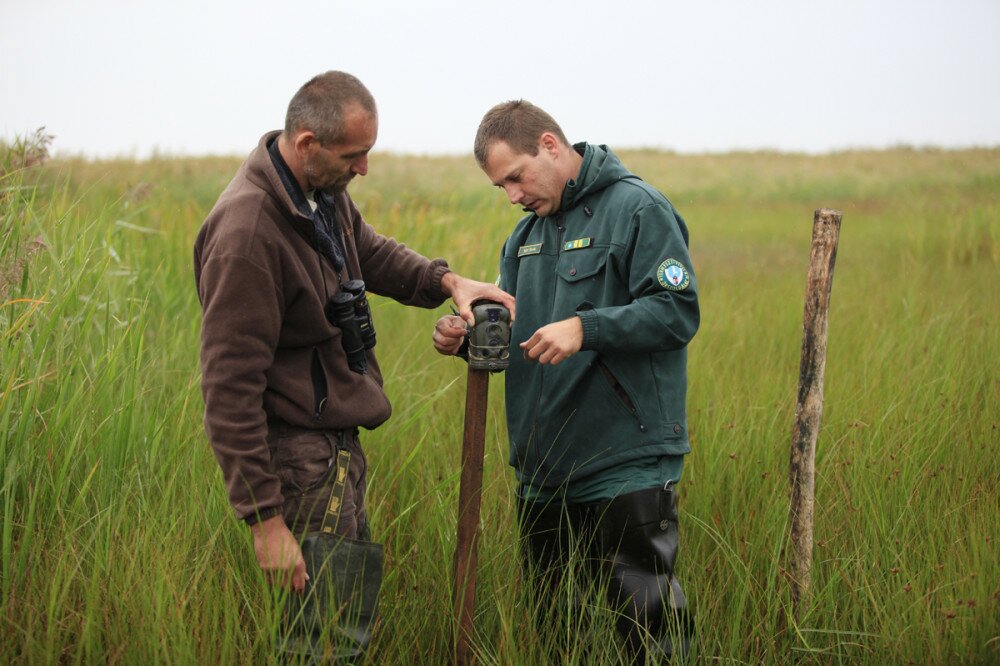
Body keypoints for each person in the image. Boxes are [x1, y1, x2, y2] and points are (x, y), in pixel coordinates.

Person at [193, 71, 514, 661]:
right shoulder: (247, 233)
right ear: (307, 142)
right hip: (295, 457)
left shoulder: (318, 193)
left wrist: (447, 281)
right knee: (323, 638)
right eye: (354, 155)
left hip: (332, 450)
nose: (363, 168)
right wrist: (265, 521)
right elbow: (228, 386)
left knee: (340, 624)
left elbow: (368, 249)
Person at [433, 100, 698, 662]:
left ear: (550, 146)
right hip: (543, 468)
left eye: (515, 176)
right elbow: (516, 336)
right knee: (558, 633)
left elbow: (677, 312)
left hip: (623, 459)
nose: (511, 195)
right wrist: (468, 338)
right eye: (499, 186)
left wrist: (587, 326)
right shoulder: (524, 237)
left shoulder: (637, 208)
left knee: (649, 631)